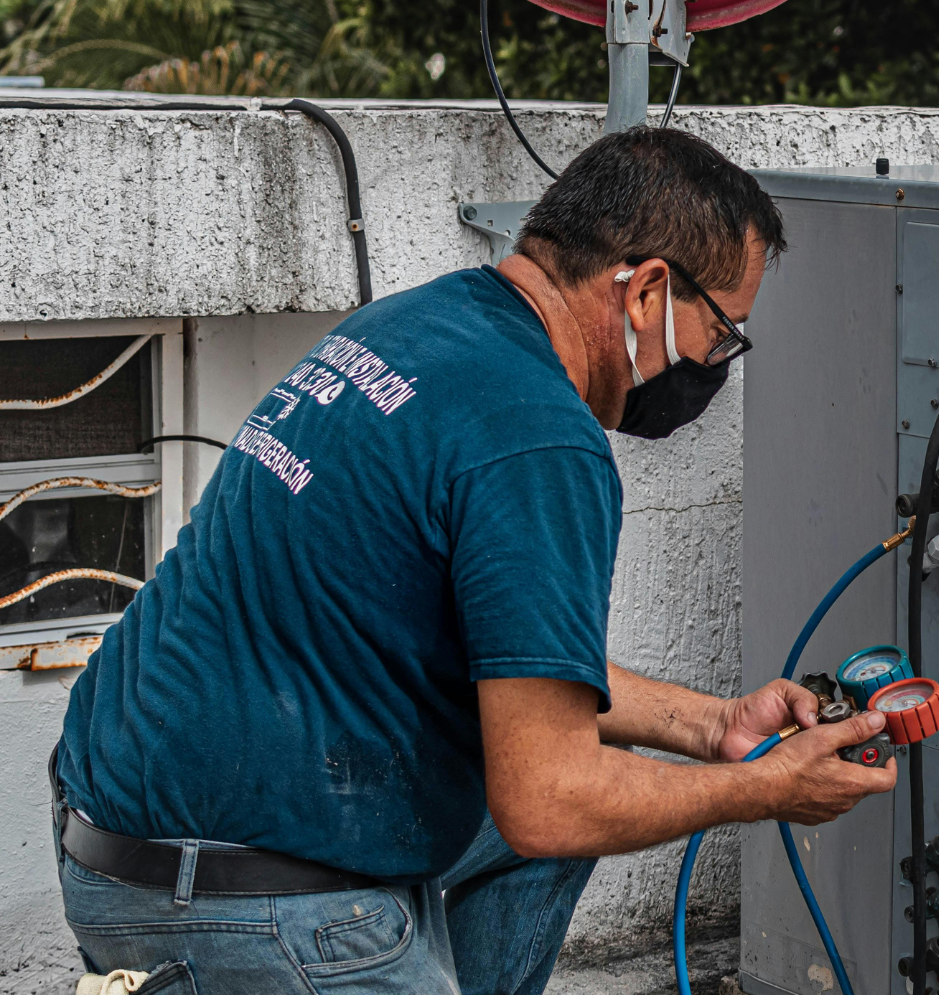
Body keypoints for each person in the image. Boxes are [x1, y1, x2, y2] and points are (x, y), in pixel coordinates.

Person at [51, 126, 895, 994]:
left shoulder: (415, 325)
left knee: (563, 822)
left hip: (116, 826)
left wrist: (717, 729)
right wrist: (768, 791)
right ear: (646, 292)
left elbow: (524, 680)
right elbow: (550, 798)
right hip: (233, 896)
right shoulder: (540, 441)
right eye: (722, 333)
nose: (716, 364)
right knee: (571, 811)